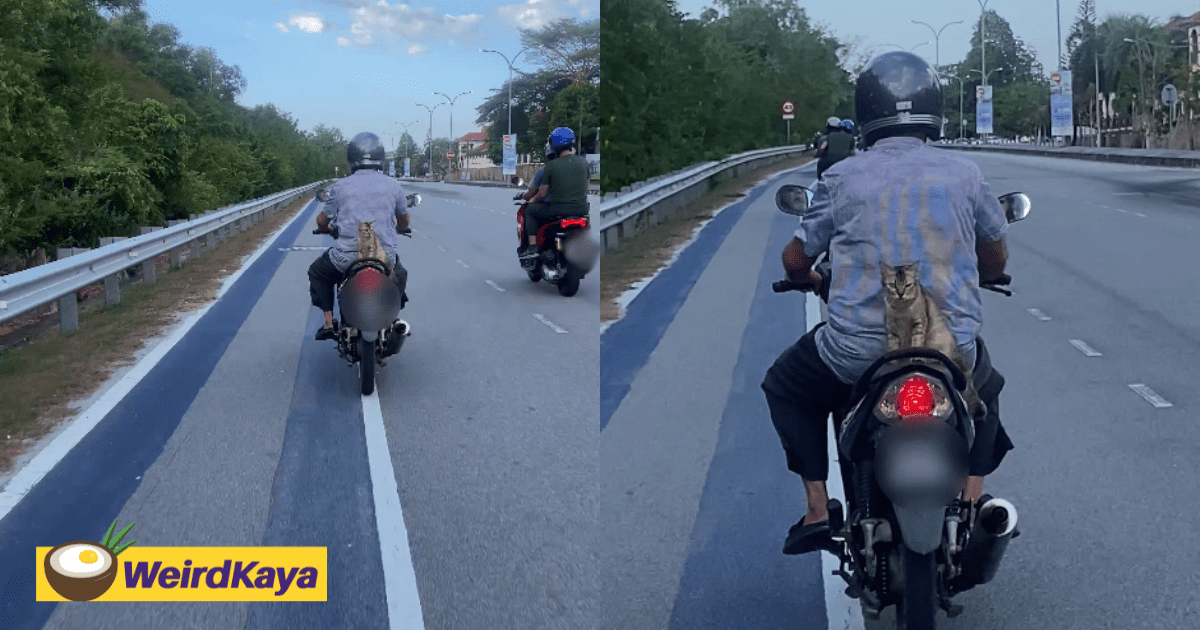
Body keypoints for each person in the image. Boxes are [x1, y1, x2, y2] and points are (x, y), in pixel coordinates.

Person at [760, 51, 1014, 556]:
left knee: (785, 386)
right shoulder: (965, 174)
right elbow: (994, 249)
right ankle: (973, 498)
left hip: (857, 352)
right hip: (948, 349)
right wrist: (987, 273)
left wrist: (808, 277)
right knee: (986, 393)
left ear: (867, 112)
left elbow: (794, 257)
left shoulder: (841, 177)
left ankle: (816, 508)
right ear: (933, 108)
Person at [308, 132, 411, 346]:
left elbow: (321, 220)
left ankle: (328, 323)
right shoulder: (394, 185)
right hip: (383, 257)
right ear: (380, 157)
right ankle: (393, 318)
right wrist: (401, 229)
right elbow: (403, 219)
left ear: (351, 157)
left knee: (317, 272)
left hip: (347, 257)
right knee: (400, 275)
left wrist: (327, 229)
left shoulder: (340, 186)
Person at [520, 127, 590, 260]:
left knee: (529, 211)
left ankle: (533, 247)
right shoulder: (583, 163)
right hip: (582, 209)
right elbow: (586, 188)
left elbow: (541, 193)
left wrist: (532, 201)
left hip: (558, 209)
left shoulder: (551, 167)